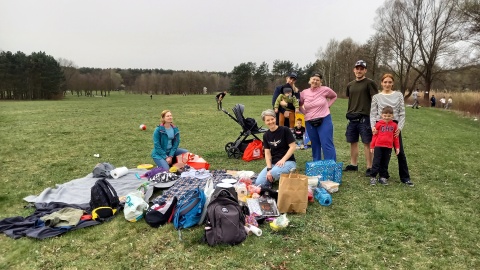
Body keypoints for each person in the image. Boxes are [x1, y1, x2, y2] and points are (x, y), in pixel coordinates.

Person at [370, 73, 414, 186]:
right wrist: (373, 127)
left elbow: (402, 113)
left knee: (400, 153)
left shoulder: (398, 95)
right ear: (381, 83)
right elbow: (373, 114)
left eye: (389, 82)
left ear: (393, 83)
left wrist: (399, 127)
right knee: (380, 153)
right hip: (380, 127)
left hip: (394, 127)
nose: (387, 84)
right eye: (385, 82)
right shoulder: (376, 97)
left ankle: (405, 177)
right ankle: (381, 175)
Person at [344, 60, 379, 175]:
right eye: (357, 68)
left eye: (361, 69)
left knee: (367, 142)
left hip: (365, 118)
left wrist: (375, 116)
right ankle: (353, 164)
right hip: (352, 118)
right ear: (354, 70)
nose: (359, 71)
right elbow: (350, 98)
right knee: (353, 142)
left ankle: (370, 167)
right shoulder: (350, 85)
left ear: (365, 70)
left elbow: (375, 100)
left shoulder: (370, 83)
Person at [299, 73, 338, 161]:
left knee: (326, 143)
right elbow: (299, 104)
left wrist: (327, 106)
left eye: (318, 80)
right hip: (309, 121)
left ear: (320, 82)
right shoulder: (304, 92)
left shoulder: (325, 90)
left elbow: (334, 96)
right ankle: (316, 165)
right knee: (315, 144)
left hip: (324, 119)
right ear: (310, 80)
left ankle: (330, 165)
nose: (315, 81)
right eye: (314, 79)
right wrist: (305, 113)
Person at [254, 109, 297, 188]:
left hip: (288, 161)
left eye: (272, 119)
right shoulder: (266, 135)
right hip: (274, 164)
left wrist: (283, 160)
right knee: (258, 183)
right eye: (268, 120)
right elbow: (267, 153)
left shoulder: (285, 130)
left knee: (273, 173)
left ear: (275, 118)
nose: (270, 122)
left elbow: (293, 146)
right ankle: (271, 179)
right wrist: (269, 168)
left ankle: (274, 177)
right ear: (265, 122)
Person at [369, 106, 400, 186]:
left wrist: (397, 147)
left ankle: (383, 177)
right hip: (378, 146)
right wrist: (372, 146)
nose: (387, 117)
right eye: (385, 116)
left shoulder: (394, 125)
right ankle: (373, 177)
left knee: (385, 162)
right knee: (376, 162)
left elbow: (395, 137)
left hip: (388, 147)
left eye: (389, 116)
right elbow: (374, 136)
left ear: (392, 116)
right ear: (381, 115)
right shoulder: (378, 124)